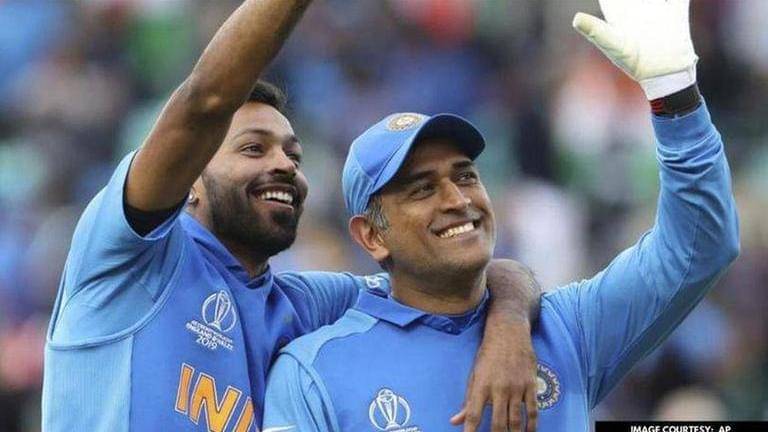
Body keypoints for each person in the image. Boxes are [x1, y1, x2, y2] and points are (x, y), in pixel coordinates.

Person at [41, 1, 542, 431]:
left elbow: (460, 275)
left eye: (294, 155)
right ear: (189, 175)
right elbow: (204, 101)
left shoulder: (306, 303)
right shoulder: (133, 256)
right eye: (253, 148)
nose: (284, 164)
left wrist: (509, 327)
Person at [261, 0, 740, 430]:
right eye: (422, 188)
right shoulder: (314, 373)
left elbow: (698, 247)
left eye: (466, 175)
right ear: (371, 236)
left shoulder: (567, 328)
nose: (457, 199)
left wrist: (674, 93)